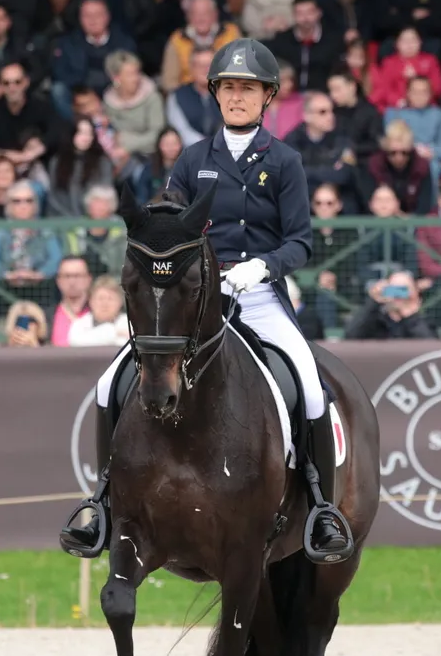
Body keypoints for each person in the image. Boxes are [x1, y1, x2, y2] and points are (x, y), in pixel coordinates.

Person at [67, 37, 353, 564]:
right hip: (197, 300)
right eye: (228, 88)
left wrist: (262, 266)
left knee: (311, 389)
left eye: (248, 88)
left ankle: (320, 507)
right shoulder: (194, 158)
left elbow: (300, 241)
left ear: (267, 97)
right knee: (111, 382)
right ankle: (104, 501)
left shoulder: (285, 160)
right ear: (215, 95)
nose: (237, 97)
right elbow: (171, 225)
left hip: (261, 296)